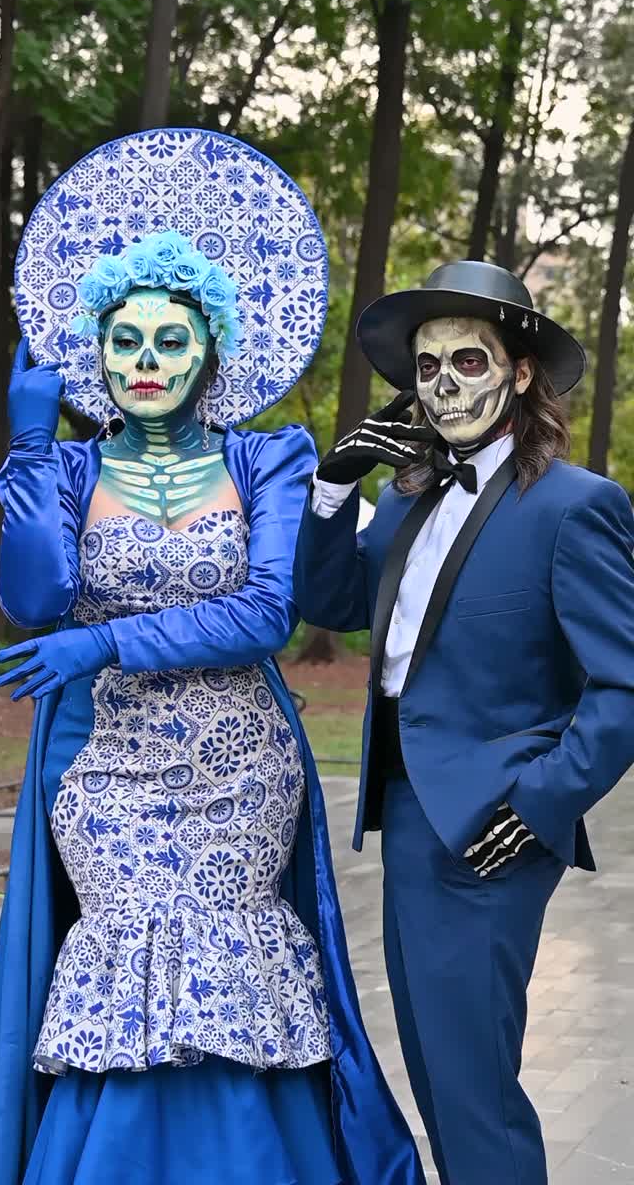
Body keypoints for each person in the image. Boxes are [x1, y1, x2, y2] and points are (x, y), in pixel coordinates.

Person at [0, 130, 424, 1185]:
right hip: (104, 766)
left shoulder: (268, 453)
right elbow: (34, 599)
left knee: (228, 943)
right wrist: (24, 452)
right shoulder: (63, 465)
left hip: (241, 764)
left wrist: (104, 637)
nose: (146, 360)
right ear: (97, 357)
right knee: (118, 940)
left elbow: (264, 615)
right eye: (126, 341)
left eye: (169, 338)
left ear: (210, 350)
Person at [293, 258, 634, 1185]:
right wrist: (334, 490)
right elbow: (327, 601)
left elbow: (624, 687)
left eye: (469, 363)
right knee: (439, 1074)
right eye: (428, 367)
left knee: (475, 1085)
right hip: (410, 811)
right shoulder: (406, 499)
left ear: (521, 372)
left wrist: (539, 804)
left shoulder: (576, 507)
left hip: (496, 820)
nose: (444, 385)